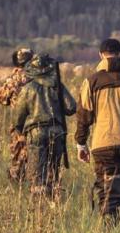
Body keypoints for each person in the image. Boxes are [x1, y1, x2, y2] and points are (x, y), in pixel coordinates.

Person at [75, 38, 120, 225]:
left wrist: (81, 143)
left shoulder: (92, 81)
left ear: (100, 55)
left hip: (102, 144)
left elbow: (84, 117)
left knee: (107, 191)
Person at [12, 54, 76, 199]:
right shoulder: (57, 85)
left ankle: (40, 208)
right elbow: (71, 107)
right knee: (53, 171)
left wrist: (19, 130)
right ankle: (54, 202)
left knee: (37, 175)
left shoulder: (28, 88)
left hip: (36, 133)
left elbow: (18, 117)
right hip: (57, 132)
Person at [0, 46, 33, 182]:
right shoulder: (38, 76)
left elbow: (2, 98)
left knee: (18, 157)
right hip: (37, 123)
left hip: (18, 125)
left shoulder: (14, 78)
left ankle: (17, 183)